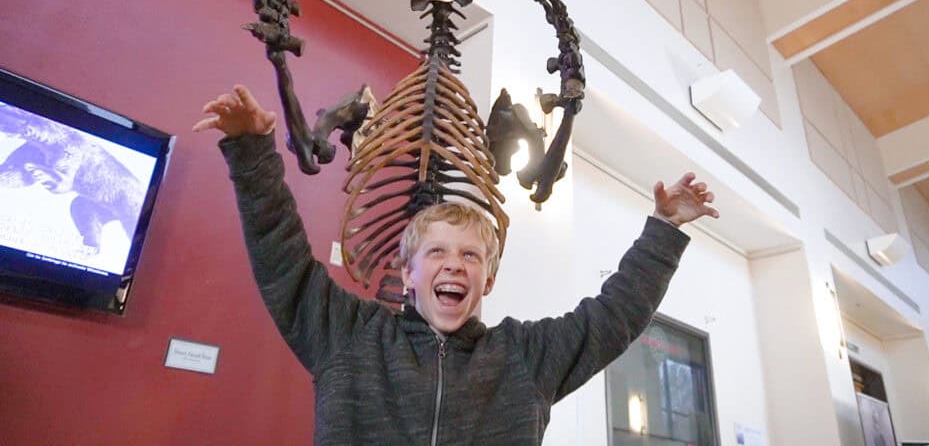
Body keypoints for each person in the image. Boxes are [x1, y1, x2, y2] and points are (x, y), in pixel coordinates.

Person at [194, 84, 720, 445]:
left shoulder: (525, 357)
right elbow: (281, 259)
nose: (455, 266)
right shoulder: (347, 335)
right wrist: (251, 153)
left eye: (471, 255)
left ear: (487, 278)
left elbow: (614, 317)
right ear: (410, 271)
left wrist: (665, 230)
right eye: (437, 253)